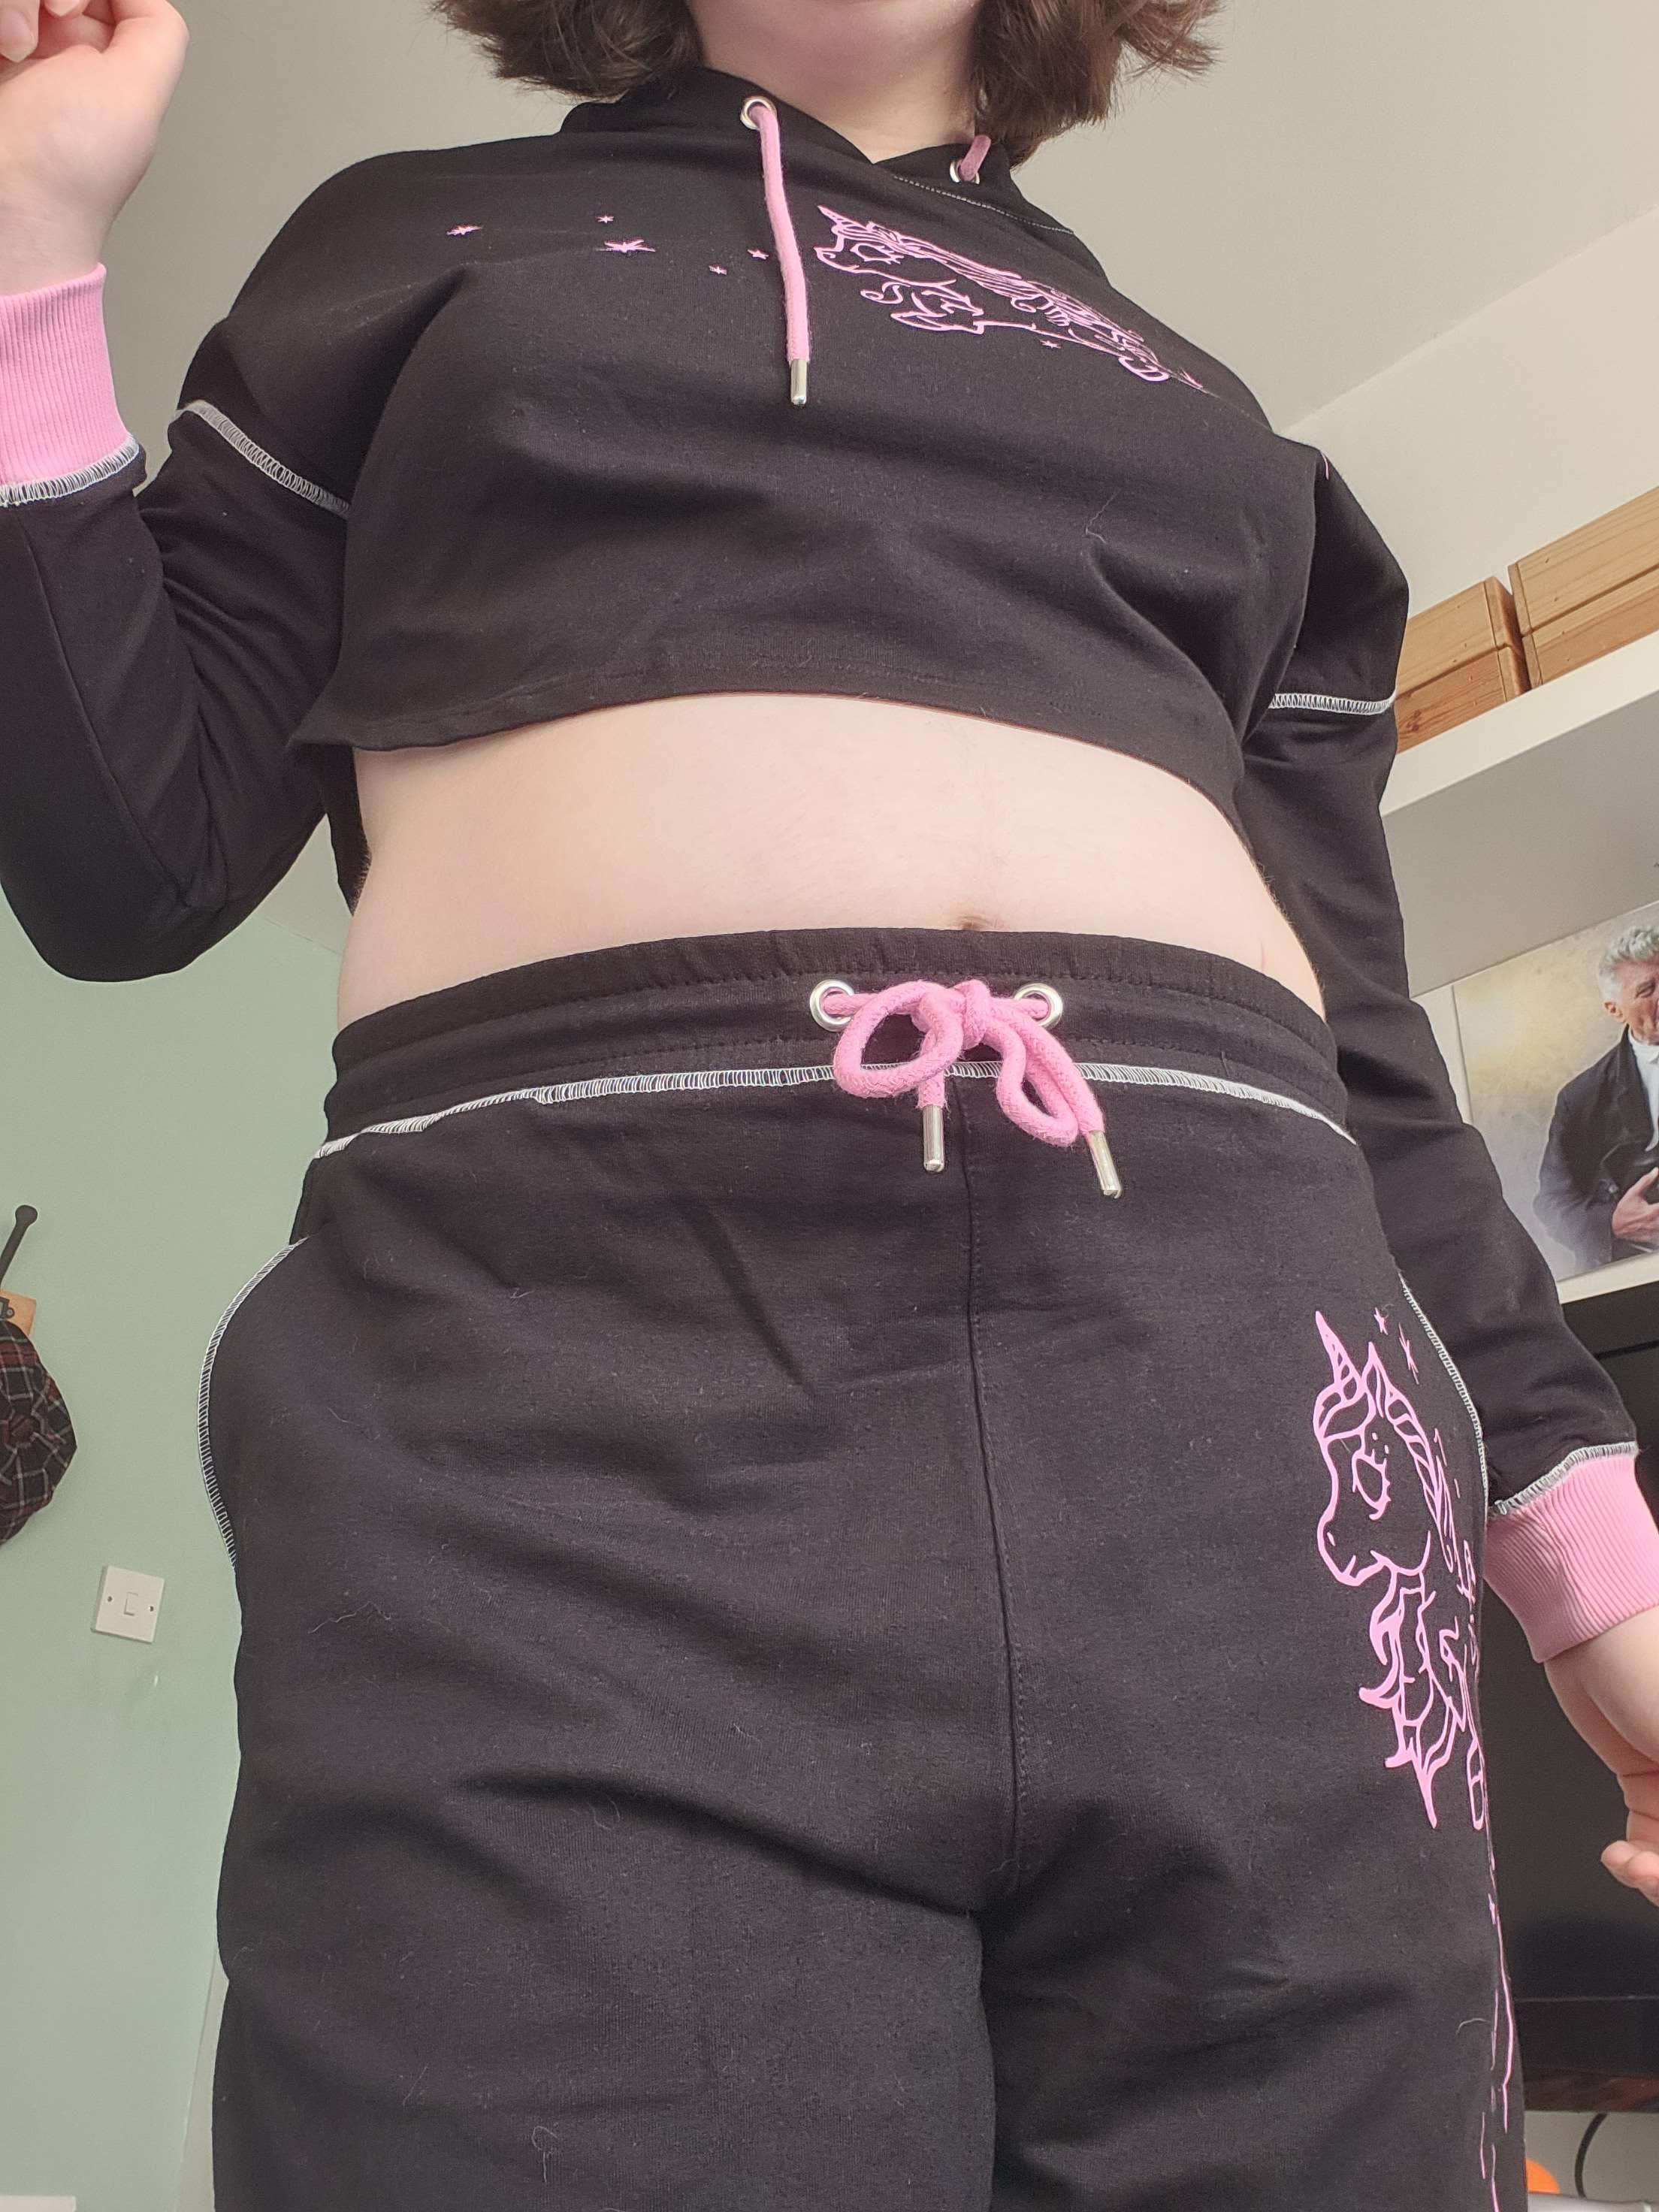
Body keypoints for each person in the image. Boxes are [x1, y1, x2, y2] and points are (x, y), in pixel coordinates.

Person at [5, 1, 1659, 2203]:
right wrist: (27, 229)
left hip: (1259, 1441)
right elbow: (122, 850)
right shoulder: (406, 247)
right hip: (577, 1420)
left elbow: (1369, 1058)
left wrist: (1592, 1577)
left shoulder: (1210, 421)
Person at [1535, 919, 1659, 1272]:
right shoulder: (1582, 1097)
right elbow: (1553, 1203)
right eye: (1648, 989)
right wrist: (1612, 1224)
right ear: (1614, 1009)